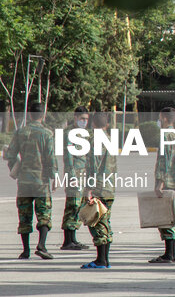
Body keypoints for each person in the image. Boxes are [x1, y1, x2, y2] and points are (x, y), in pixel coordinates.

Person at [7, 101, 57, 260]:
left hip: (24, 181)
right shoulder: (47, 134)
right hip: (41, 181)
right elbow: (50, 158)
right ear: (43, 115)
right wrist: (54, 176)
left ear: (29, 114)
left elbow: (10, 155)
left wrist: (15, 169)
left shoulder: (20, 132)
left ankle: (25, 250)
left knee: (24, 214)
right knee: (44, 213)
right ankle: (41, 245)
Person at [81, 112, 115, 270]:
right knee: (104, 222)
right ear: (106, 124)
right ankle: (104, 259)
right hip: (109, 187)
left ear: (93, 124)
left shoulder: (96, 140)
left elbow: (93, 167)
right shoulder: (109, 138)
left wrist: (89, 188)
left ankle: (101, 260)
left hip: (98, 188)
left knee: (96, 223)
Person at [149, 106, 175, 264]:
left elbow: (165, 160)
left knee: (166, 218)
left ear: (163, 118)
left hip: (168, 182)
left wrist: (160, 182)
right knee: (171, 217)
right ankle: (171, 253)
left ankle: (169, 254)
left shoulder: (167, 135)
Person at [60, 106, 89, 251]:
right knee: (72, 206)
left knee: (78, 206)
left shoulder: (82, 134)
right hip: (74, 174)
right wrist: (72, 176)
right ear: (75, 118)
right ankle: (67, 240)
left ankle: (73, 238)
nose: (84, 122)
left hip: (82, 174)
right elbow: (68, 157)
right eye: (82, 119)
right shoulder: (70, 134)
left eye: (86, 119)